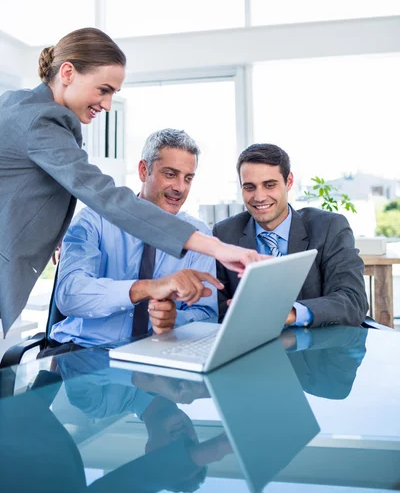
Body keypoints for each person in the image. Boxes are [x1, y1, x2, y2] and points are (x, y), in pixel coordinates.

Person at [0, 27, 264, 336]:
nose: (108, 104)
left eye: (113, 93)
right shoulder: (41, 122)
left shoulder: (22, 107)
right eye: (103, 89)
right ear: (68, 72)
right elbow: (106, 196)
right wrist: (216, 248)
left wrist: (50, 230)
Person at [49, 129, 218, 349]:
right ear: (143, 170)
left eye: (188, 178)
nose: (180, 187)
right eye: (170, 174)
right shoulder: (95, 219)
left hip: (159, 357)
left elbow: (208, 313)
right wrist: (147, 288)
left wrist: (175, 320)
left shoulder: (199, 235)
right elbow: (69, 295)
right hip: (87, 350)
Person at [213, 143, 369, 327]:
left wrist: (290, 314)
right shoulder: (225, 233)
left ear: (289, 182)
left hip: (319, 346)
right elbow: (219, 309)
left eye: (269, 185)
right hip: (255, 345)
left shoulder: (329, 227)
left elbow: (353, 300)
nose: (259, 197)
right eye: (249, 187)